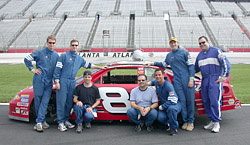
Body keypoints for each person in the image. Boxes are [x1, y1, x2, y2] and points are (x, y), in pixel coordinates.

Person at [54, 40, 107, 132]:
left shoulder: (79, 58)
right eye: (73, 45)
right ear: (70, 46)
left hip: (72, 82)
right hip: (63, 80)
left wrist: (100, 67)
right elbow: (57, 70)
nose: (74, 47)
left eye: (76, 45)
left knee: (69, 103)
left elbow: (89, 65)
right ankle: (60, 122)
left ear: (78, 47)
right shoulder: (63, 56)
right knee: (61, 102)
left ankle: (66, 120)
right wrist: (57, 81)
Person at [145, 37, 195, 131]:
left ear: (177, 43)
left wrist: (191, 79)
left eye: (174, 42)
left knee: (190, 101)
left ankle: (191, 121)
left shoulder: (185, 52)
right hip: (177, 80)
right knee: (182, 101)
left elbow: (191, 66)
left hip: (187, 79)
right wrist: (152, 62)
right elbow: (163, 64)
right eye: (171, 43)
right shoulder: (169, 55)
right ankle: (185, 121)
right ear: (170, 44)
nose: (173, 44)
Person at [195, 36, 231, 133]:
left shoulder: (216, 51)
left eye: (203, 42)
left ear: (208, 41)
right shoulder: (199, 55)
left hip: (214, 78)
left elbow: (226, 64)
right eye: (200, 43)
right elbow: (195, 69)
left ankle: (216, 123)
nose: (202, 44)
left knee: (214, 101)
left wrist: (223, 77)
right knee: (206, 101)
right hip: (205, 79)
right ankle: (212, 120)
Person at [24, 35, 59, 132]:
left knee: (45, 101)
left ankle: (40, 121)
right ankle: (40, 121)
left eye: (53, 43)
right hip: (39, 79)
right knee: (38, 101)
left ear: (55, 44)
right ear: (47, 43)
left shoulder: (56, 55)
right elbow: (27, 59)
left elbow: (57, 69)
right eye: (50, 42)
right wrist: (32, 69)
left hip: (49, 81)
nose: (51, 44)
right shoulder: (40, 52)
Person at [152, 69, 182, 136]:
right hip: (165, 105)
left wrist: (162, 106)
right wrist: (147, 83)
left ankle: (174, 128)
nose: (158, 76)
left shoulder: (168, 85)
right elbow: (153, 82)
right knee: (160, 117)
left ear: (163, 75)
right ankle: (168, 123)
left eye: (159, 75)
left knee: (171, 109)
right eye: (156, 75)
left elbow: (173, 100)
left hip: (174, 104)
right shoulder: (157, 82)